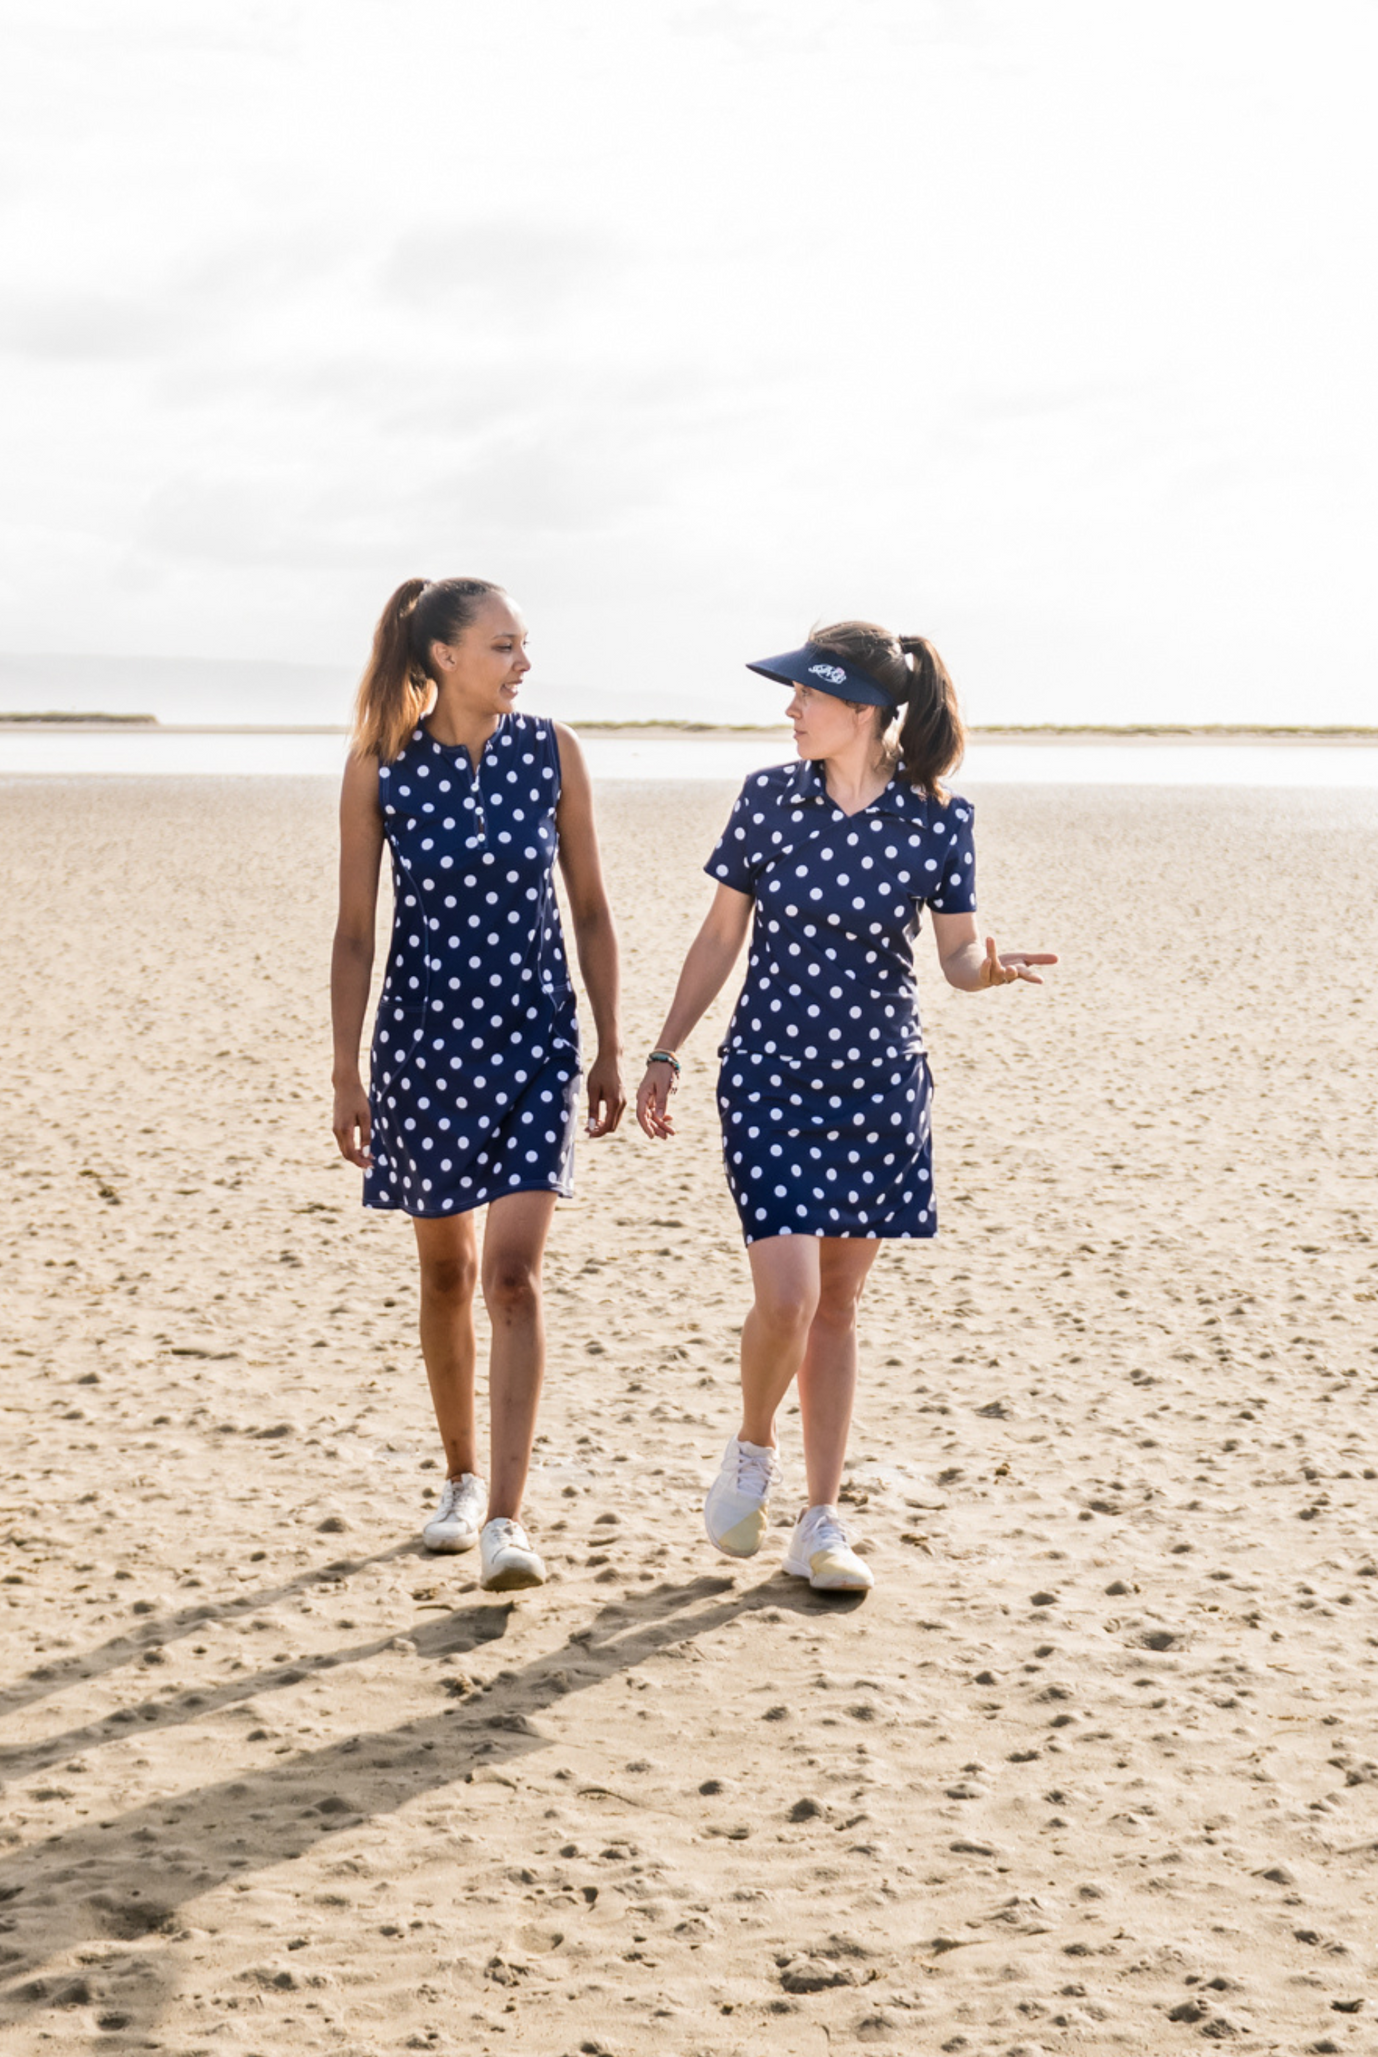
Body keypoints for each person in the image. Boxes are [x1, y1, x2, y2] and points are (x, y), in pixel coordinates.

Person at [635, 620, 1055, 1593]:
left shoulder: (936, 820)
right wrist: (664, 1048)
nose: (788, 709)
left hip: (875, 1087)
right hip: (769, 1078)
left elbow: (953, 956)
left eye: (804, 695)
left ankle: (818, 1521)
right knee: (787, 1299)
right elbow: (716, 938)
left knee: (837, 1308)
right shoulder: (766, 800)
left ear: (858, 712)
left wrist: (987, 969)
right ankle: (751, 1446)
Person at [331, 577, 624, 1591]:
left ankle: (506, 1515)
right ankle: (458, 1479)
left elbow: (588, 906)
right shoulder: (381, 765)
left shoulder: (553, 752)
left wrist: (611, 1043)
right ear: (445, 655)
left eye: (523, 645)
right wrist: (344, 1066)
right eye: (503, 644)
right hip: (420, 1048)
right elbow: (356, 930)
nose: (522, 662)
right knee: (447, 1274)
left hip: (535, 1042)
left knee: (511, 1276)